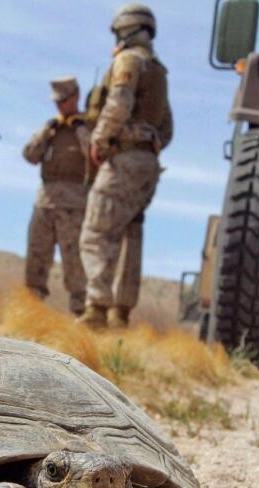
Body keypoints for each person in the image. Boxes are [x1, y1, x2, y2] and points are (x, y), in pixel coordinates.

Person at [78, 4, 172, 330]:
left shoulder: (128, 61)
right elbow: (168, 127)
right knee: (131, 235)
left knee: (97, 232)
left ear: (125, 30)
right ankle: (120, 315)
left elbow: (118, 104)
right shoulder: (159, 72)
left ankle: (96, 310)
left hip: (125, 159)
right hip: (149, 163)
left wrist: (100, 140)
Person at [21, 77, 90, 315]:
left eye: (64, 100)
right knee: (36, 256)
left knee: (75, 262)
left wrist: (81, 128)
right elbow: (29, 155)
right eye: (57, 102)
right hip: (45, 201)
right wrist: (46, 132)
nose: (59, 106)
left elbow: (95, 156)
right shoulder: (52, 128)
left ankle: (81, 312)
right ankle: (30, 310)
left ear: (76, 97)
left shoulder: (88, 126)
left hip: (74, 203)